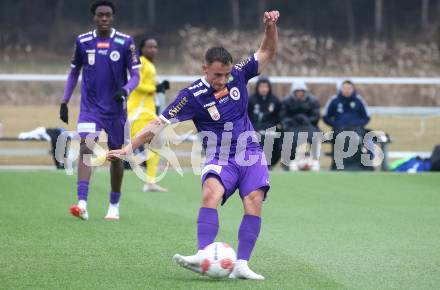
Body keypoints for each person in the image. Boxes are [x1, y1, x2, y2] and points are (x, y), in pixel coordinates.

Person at [108, 10, 280, 280]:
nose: (221, 80)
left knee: (254, 200)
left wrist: (270, 27)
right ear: (204, 69)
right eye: (216, 75)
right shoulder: (191, 96)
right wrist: (131, 148)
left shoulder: (239, 73)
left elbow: (267, 52)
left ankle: (242, 264)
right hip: (219, 155)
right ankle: (203, 255)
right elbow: (158, 123)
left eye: (225, 75)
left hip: (250, 152)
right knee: (210, 193)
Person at [59, 0, 140, 221]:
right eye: (100, 15)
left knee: (115, 156)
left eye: (107, 15)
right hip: (90, 109)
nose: (103, 18)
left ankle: (114, 204)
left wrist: (125, 90)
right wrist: (65, 100)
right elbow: (74, 72)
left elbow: (136, 76)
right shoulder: (83, 41)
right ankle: (82, 203)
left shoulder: (125, 42)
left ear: (112, 17)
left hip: (116, 111)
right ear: (94, 17)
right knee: (86, 148)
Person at [127, 37, 170, 192]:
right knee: (124, 147)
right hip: (138, 113)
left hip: (148, 112)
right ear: (142, 49)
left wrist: (158, 87)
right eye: (150, 47)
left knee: (156, 143)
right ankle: (93, 163)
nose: (153, 50)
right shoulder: (141, 62)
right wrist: (155, 88)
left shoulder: (149, 64)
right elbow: (136, 83)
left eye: (155, 47)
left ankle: (150, 182)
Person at [323, 80, 371, 170]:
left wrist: (357, 124)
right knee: (340, 137)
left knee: (362, 137)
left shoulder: (359, 100)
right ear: (341, 89)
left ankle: (360, 166)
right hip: (339, 129)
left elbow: (366, 117)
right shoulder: (334, 100)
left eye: (349, 88)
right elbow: (326, 117)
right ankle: (338, 166)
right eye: (345, 88)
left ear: (353, 89)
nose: (347, 90)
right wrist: (336, 124)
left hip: (356, 129)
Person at [281, 81, 321, 171]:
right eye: (297, 91)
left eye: (301, 91)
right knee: (289, 137)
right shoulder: (286, 102)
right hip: (292, 126)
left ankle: (313, 161)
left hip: (308, 126)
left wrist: (307, 120)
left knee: (315, 136)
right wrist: (292, 121)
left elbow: (316, 116)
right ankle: (289, 162)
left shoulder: (313, 101)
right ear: (294, 92)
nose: (300, 93)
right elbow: (282, 117)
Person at [248, 77, 282, 168]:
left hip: (270, 128)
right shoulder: (251, 100)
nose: (263, 89)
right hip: (254, 128)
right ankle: (256, 165)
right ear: (257, 87)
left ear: (269, 88)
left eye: (266, 87)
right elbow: (247, 117)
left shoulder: (274, 100)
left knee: (279, 141)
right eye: (261, 87)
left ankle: (269, 164)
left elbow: (279, 117)